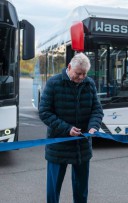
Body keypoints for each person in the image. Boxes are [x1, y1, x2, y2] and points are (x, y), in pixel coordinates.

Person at [39, 53, 104, 203]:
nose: (82, 77)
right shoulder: (54, 83)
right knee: (53, 190)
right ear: (69, 67)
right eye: (78, 73)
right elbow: (44, 112)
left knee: (81, 191)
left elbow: (97, 110)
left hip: (81, 146)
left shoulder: (89, 84)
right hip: (58, 146)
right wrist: (66, 129)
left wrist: (93, 126)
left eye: (85, 74)